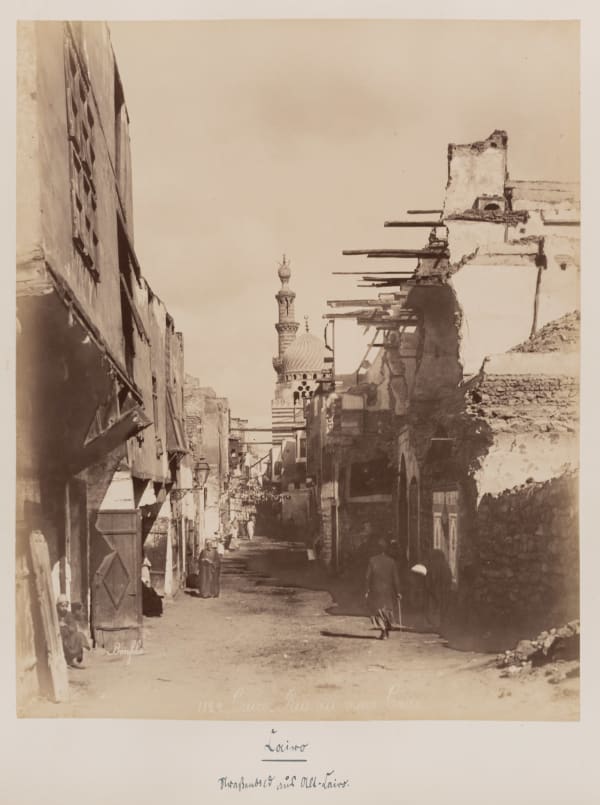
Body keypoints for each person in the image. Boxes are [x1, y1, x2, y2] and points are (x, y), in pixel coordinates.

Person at [365, 538, 402, 640]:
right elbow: (396, 579)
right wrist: (398, 591)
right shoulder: (391, 562)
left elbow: (367, 577)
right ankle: (386, 629)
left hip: (376, 590)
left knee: (378, 611)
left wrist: (367, 590)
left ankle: (384, 631)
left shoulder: (372, 560)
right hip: (388, 590)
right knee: (387, 610)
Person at [56, 594, 90, 667]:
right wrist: (58, 625)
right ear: (58, 606)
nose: (64, 608)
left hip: (69, 636)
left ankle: (74, 658)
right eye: (62, 606)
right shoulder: (56, 615)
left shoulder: (69, 615)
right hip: (60, 637)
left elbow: (73, 628)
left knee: (79, 636)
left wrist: (65, 625)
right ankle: (66, 660)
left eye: (65, 606)